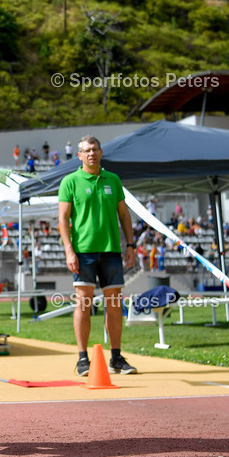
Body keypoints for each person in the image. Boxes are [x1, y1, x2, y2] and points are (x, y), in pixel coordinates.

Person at [58, 135, 138, 377]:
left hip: (112, 250)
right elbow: (62, 219)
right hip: (83, 251)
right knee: (83, 302)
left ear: (101, 153)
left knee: (114, 304)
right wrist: (69, 250)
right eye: (86, 150)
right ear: (79, 155)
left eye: (94, 149)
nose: (91, 153)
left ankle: (116, 357)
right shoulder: (70, 181)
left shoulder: (113, 180)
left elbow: (124, 214)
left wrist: (131, 244)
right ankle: (83, 359)